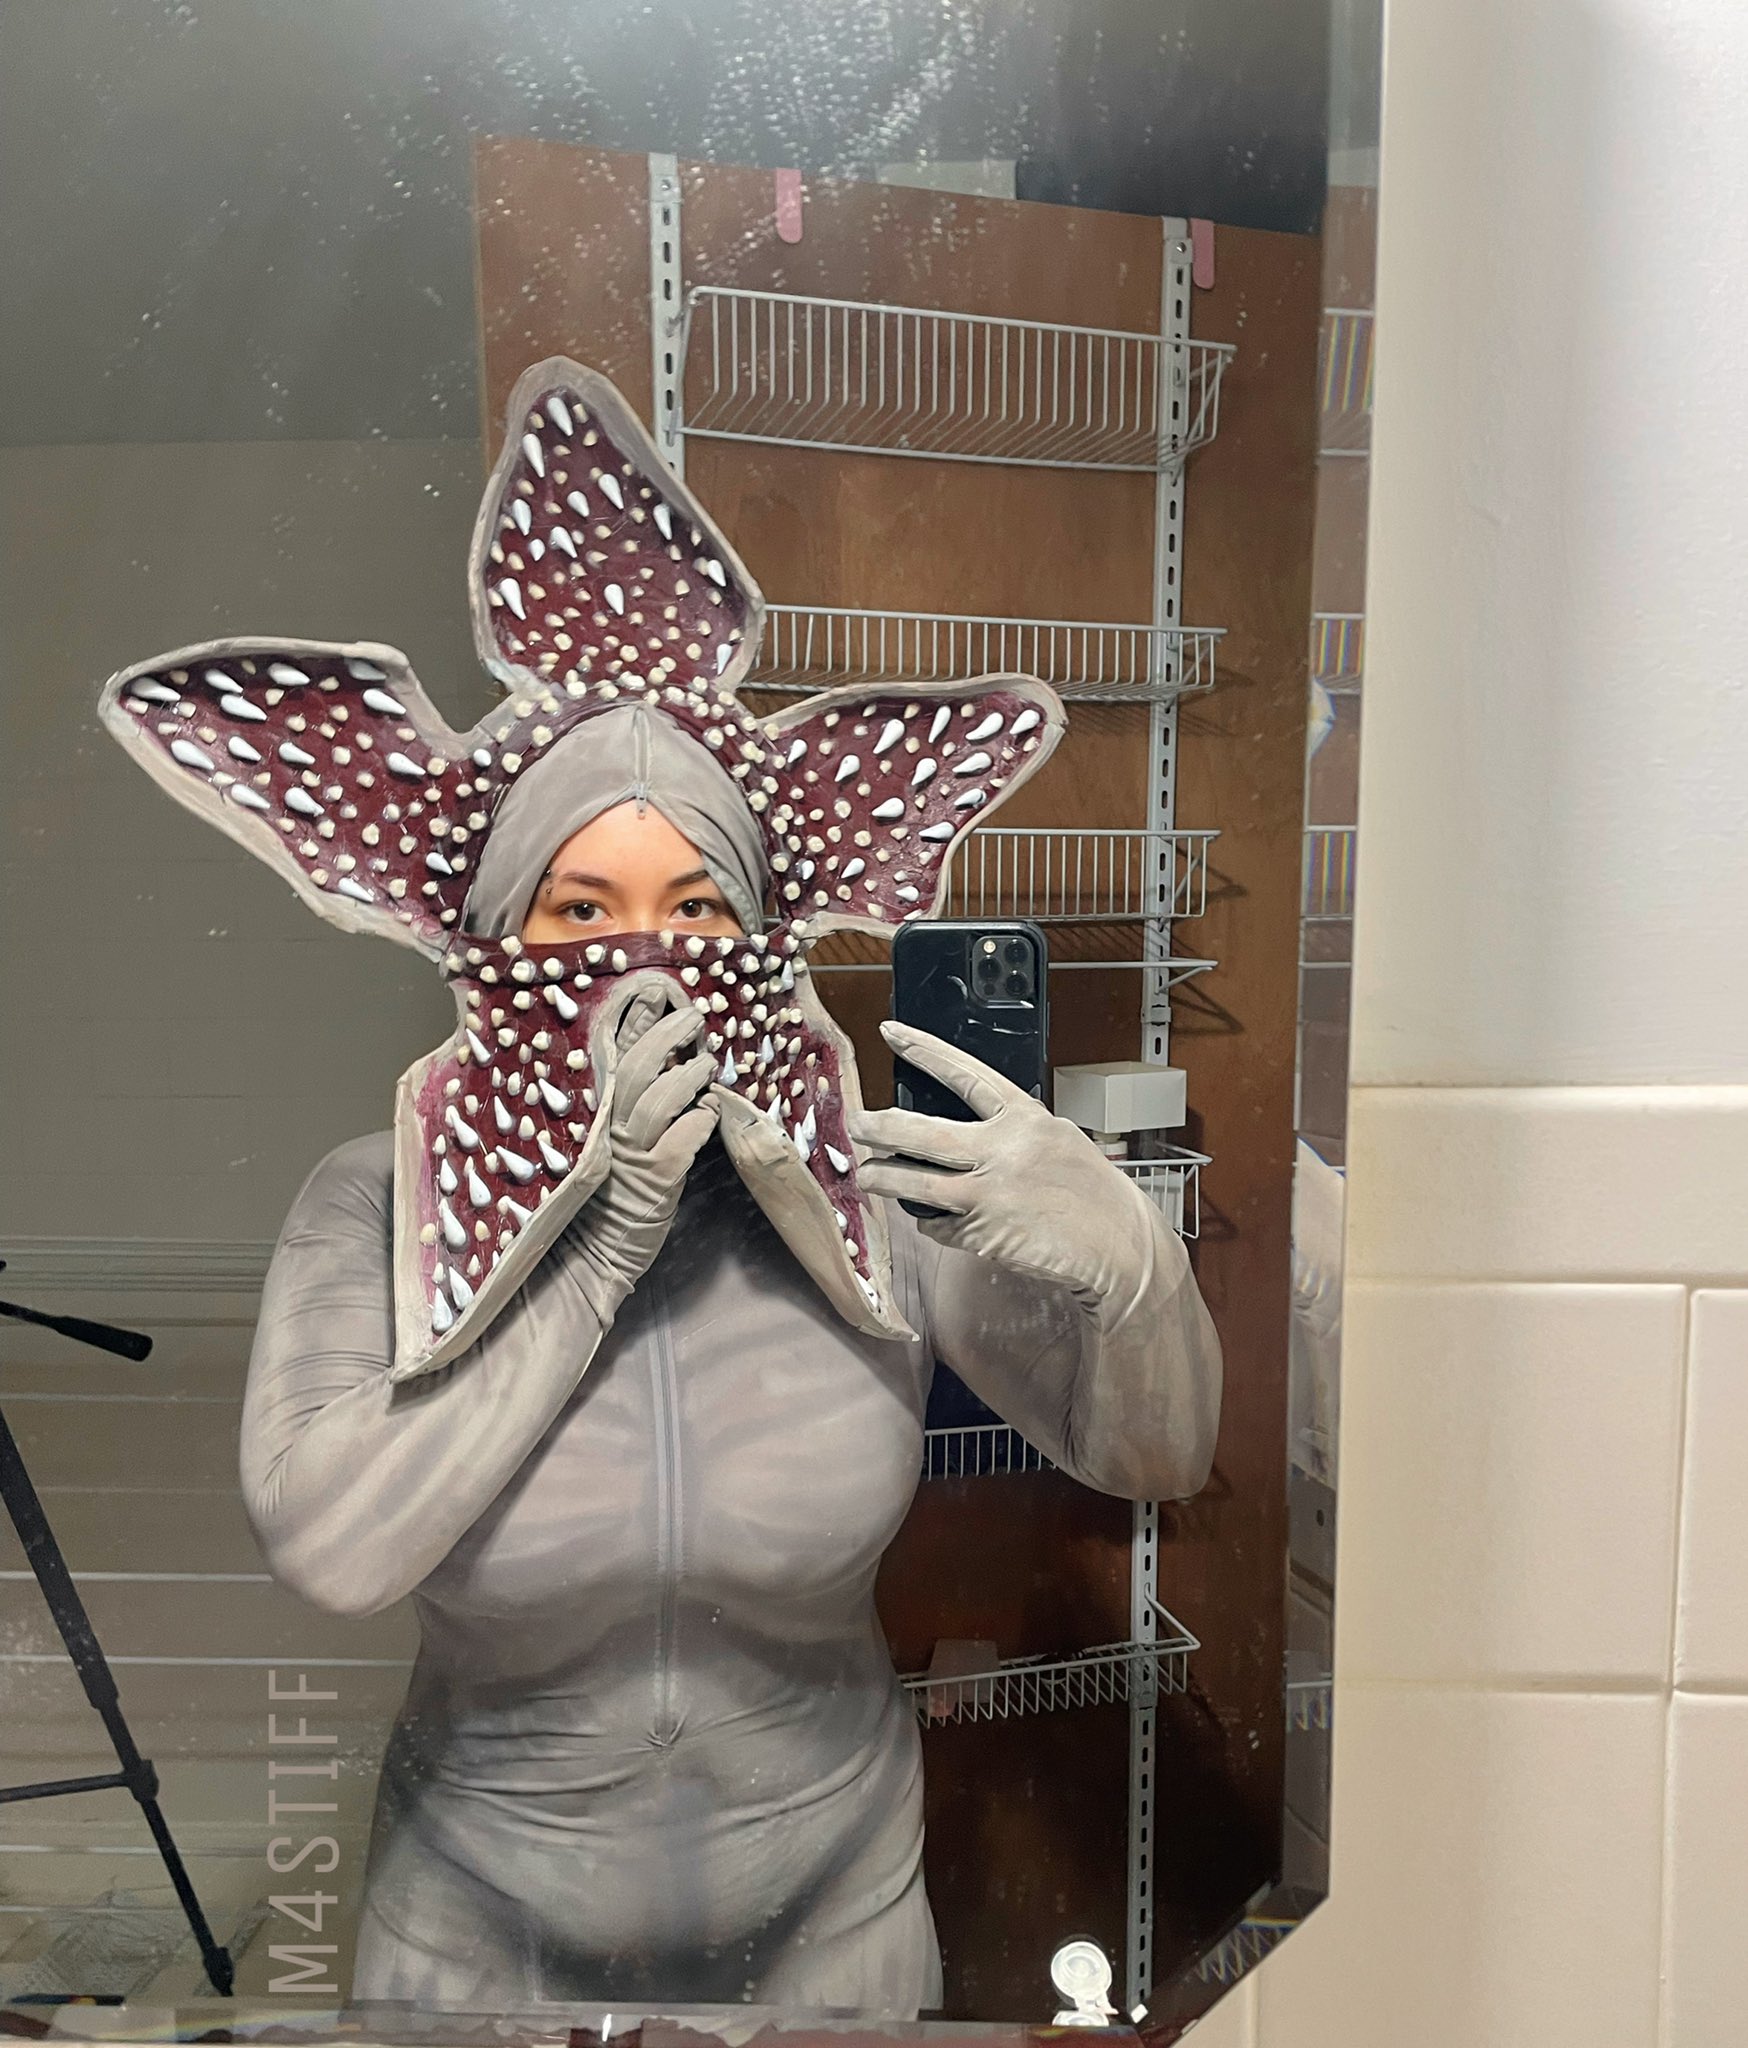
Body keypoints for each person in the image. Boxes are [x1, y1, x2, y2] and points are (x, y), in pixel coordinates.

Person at [98, 356, 1222, 2021]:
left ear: (769, 934)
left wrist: (1134, 1265)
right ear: (488, 940)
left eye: (699, 912)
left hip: (836, 1916)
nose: (646, 961)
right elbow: (332, 1546)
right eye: (580, 911)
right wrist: (590, 1253)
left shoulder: (877, 1190)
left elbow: (1158, 1451)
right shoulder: (377, 1206)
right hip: (477, 1933)